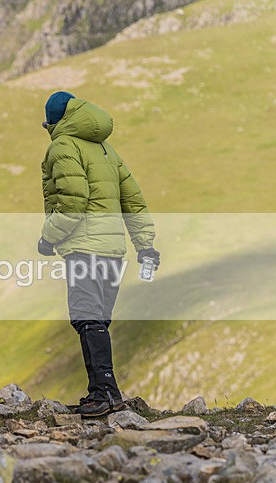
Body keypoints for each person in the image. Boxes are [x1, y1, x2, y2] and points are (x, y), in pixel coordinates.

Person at [37, 91, 160, 418]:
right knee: (97, 320)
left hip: (84, 248)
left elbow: (73, 203)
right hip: (113, 251)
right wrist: (144, 244)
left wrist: (48, 239)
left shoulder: (62, 147)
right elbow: (133, 200)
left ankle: (106, 393)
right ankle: (100, 391)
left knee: (87, 319)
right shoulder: (106, 149)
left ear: (54, 120)